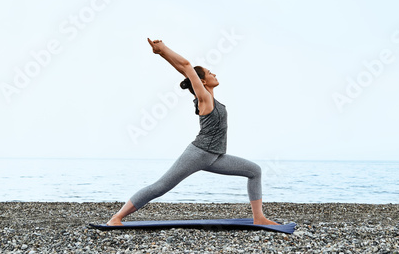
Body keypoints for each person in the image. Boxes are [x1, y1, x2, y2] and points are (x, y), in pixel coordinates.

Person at [106, 38, 278, 226]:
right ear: (203, 82)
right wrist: (164, 49)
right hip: (199, 153)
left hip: (215, 156)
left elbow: (185, 70)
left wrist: (161, 53)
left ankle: (259, 218)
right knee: (161, 187)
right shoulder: (204, 98)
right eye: (210, 72)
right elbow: (187, 67)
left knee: (254, 171)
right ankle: (117, 217)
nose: (214, 73)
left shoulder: (211, 99)